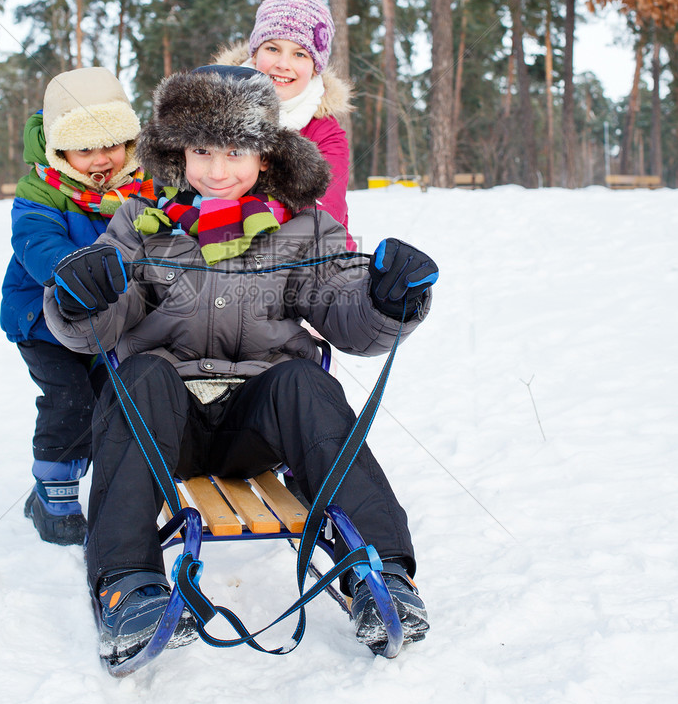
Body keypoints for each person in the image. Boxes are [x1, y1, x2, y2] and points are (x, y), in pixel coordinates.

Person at [43, 65, 438, 665]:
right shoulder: (143, 224)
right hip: (164, 424)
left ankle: (380, 571)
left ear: (266, 154)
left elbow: (342, 306)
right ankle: (128, 586)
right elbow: (101, 322)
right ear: (178, 152)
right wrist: (81, 296)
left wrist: (387, 297)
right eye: (201, 150)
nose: (217, 170)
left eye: (235, 150)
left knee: (306, 381)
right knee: (139, 374)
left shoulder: (303, 228)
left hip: (258, 423)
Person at [0, 66, 154, 546]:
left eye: (110, 144)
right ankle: (55, 498)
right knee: (71, 402)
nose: (100, 159)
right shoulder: (41, 191)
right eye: (85, 148)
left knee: (115, 403)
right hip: (46, 320)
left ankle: (83, 483)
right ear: (60, 149)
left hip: (112, 321)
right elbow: (35, 241)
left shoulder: (146, 187)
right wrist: (73, 267)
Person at [213, 0, 357, 249]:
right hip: (223, 251)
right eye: (272, 48)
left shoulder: (325, 133)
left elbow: (322, 212)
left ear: (315, 68)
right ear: (254, 54)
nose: (283, 64)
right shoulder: (213, 108)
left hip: (310, 257)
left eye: (300, 54)